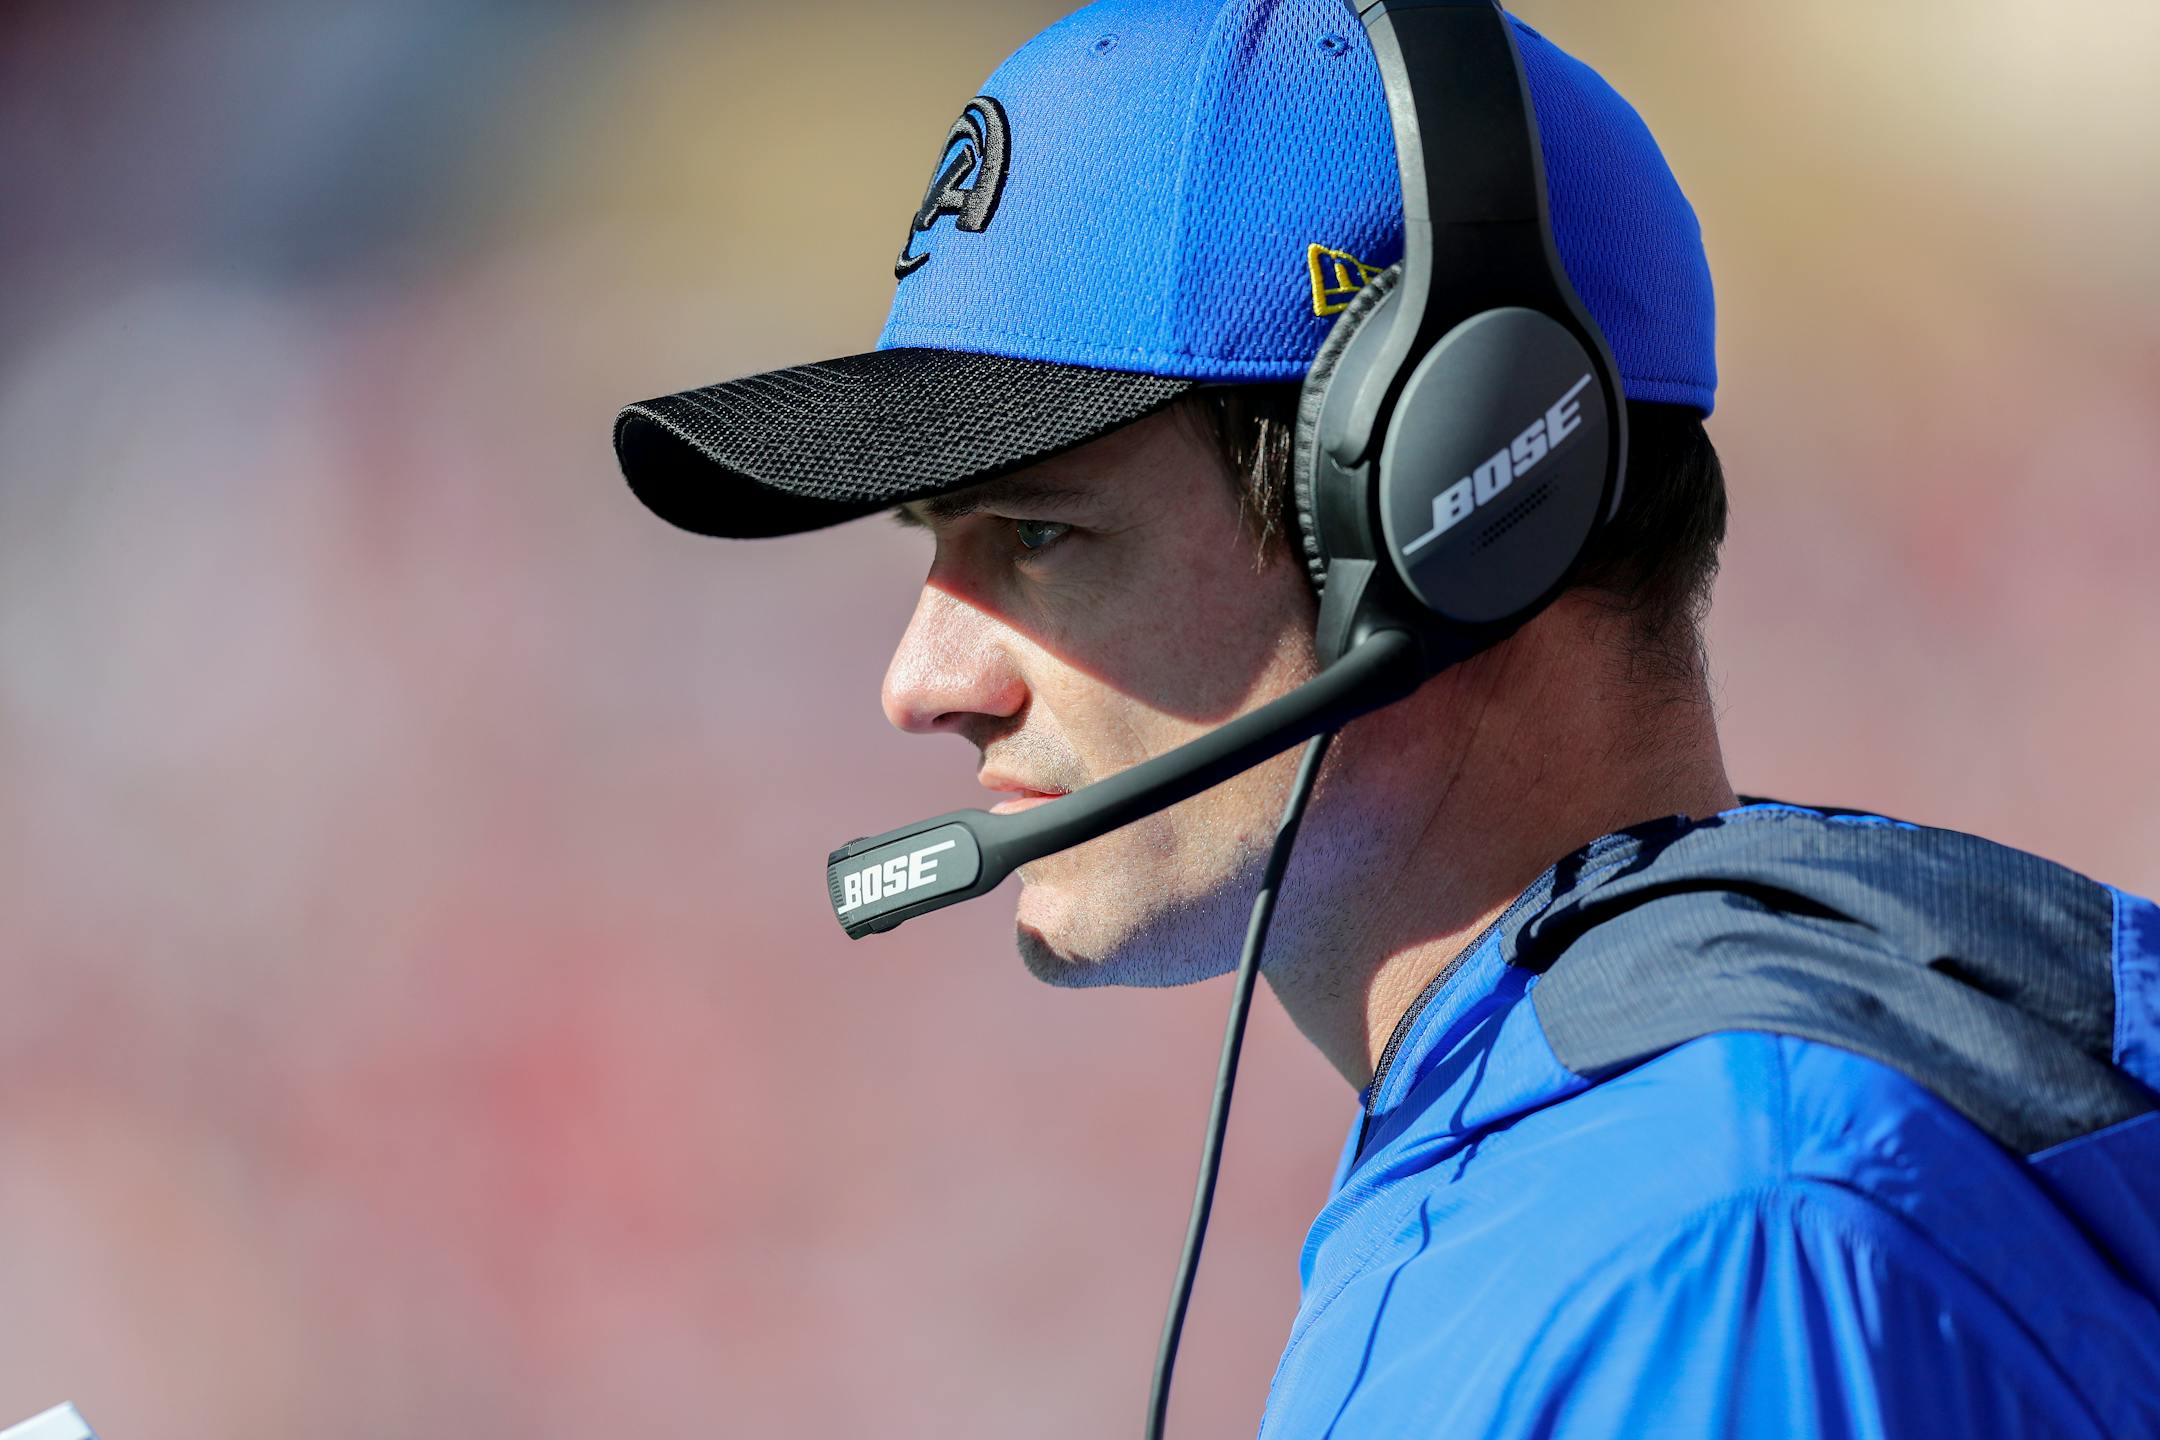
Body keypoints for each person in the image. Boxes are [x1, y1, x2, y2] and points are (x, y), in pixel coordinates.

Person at [612, 0, 2160, 1433]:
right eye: (932, 544)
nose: (923, 681)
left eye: (1039, 535)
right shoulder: (1591, 1163)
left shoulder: (1710, 1250)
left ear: (1444, 499)